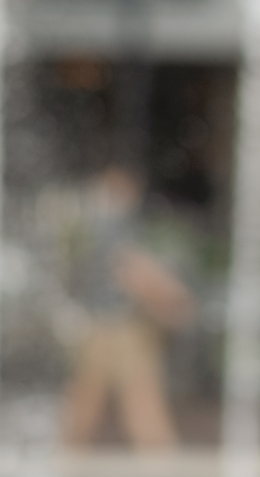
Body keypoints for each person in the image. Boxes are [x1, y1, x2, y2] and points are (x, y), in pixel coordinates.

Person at [58, 165, 194, 450]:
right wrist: (172, 298)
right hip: (117, 329)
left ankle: (67, 455)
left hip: (99, 326)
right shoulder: (109, 226)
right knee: (136, 393)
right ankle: (158, 456)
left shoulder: (88, 228)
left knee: (94, 397)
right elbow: (134, 269)